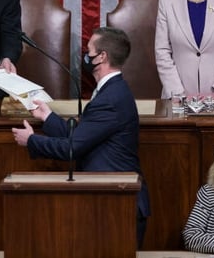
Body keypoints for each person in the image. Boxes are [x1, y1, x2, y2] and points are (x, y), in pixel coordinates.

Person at [11, 27, 150, 247]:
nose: (85, 56)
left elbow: (71, 148)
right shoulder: (111, 92)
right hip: (111, 201)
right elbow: (84, 136)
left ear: (101, 56)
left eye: (89, 51)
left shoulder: (110, 98)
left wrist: (32, 140)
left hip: (118, 204)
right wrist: (48, 117)